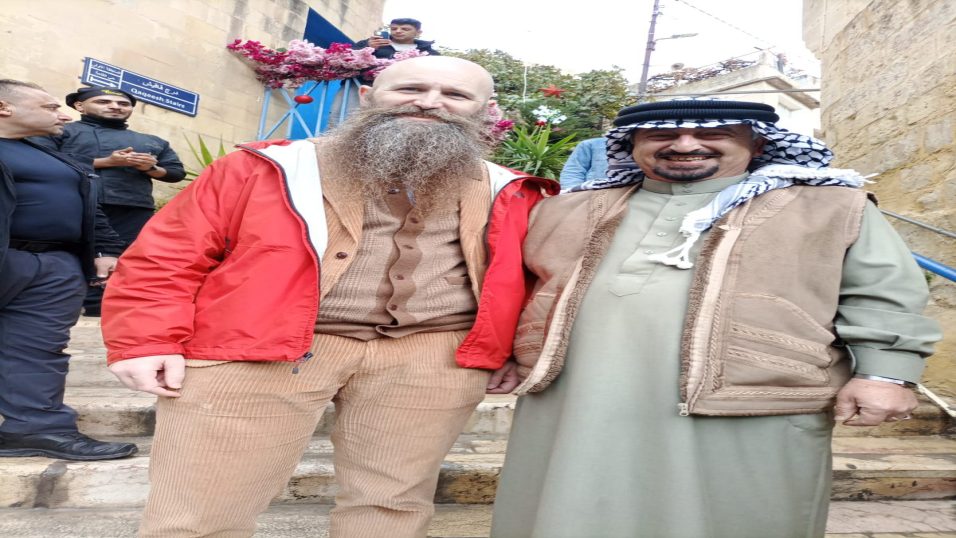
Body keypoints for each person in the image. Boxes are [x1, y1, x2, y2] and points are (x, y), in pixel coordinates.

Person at [102, 56, 556, 537]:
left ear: (485, 110)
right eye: (410, 89)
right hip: (259, 345)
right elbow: (168, 255)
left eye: (455, 95)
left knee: (392, 506)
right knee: (201, 509)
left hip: (434, 356)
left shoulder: (513, 190)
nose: (429, 103)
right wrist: (146, 341)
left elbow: (532, 281)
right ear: (367, 96)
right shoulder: (265, 168)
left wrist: (511, 350)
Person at [491, 99, 941, 538]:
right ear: (631, 145)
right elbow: (513, 287)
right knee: (568, 505)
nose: (685, 144)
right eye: (663, 135)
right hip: (574, 399)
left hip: (752, 399)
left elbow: (883, 291)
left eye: (714, 133)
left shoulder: (831, 207)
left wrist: (885, 375)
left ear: (757, 144)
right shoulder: (564, 210)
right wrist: (506, 352)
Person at [0, 79, 135, 461]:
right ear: (4, 108)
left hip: (54, 267)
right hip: (9, 254)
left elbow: (88, 207)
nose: (63, 115)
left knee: (39, 348)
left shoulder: (51, 153)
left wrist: (105, 248)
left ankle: (36, 429)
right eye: (50, 107)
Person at [31, 86, 185, 317]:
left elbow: (175, 173)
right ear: (80, 106)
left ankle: (106, 308)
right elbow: (44, 160)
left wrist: (149, 168)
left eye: (123, 104)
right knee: (71, 255)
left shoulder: (153, 141)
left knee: (127, 260)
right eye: (103, 102)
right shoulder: (60, 131)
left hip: (134, 207)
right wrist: (106, 162)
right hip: (74, 204)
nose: (115, 106)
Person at [354, 18, 441, 61]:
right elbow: (349, 58)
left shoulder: (429, 53)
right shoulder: (372, 42)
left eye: (405, 29)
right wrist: (367, 47)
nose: (398, 31)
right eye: (394, 29)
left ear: (418, 33)